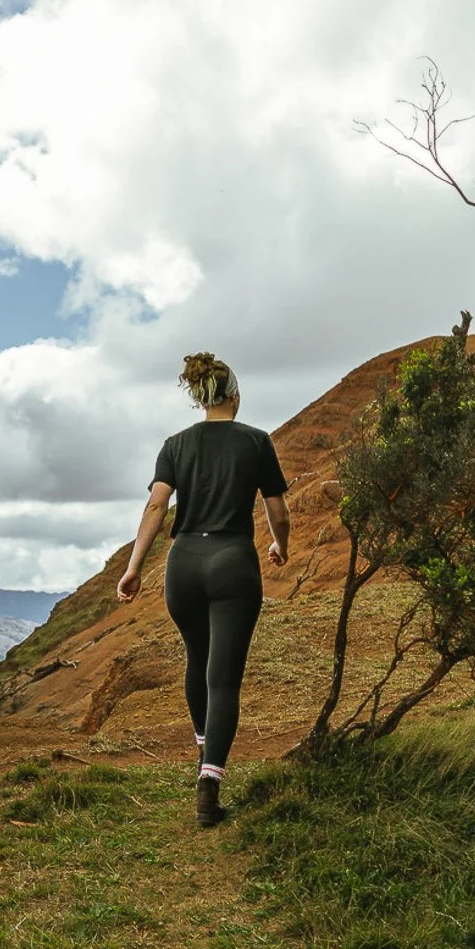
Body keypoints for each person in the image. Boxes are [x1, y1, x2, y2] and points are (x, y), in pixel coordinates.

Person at [116, 352, 289, 828]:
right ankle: (208, 790)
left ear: (200, 398)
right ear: (234, 395)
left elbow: (156, 508)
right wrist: (279, 544)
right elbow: (279, 510)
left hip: (184, 565)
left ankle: (202, 754)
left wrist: (133, 568)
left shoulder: (175, 444)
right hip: (233, 561)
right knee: (224, 678)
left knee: (197, 660)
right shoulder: (256, 442)